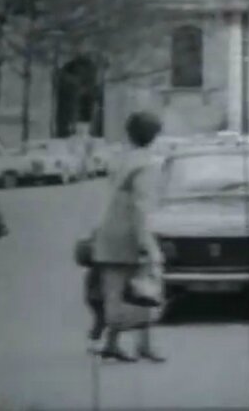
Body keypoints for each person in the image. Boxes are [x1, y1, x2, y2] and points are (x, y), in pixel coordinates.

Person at [88, 111, 165, 363]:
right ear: (154, 136)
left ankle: (113, 343)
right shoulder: (148, 164)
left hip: (108, 230)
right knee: (145, 291)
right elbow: (142, 207)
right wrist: (149, 245)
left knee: (116, 290)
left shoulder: (119, 159)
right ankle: (142, 342)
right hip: (129, 233)